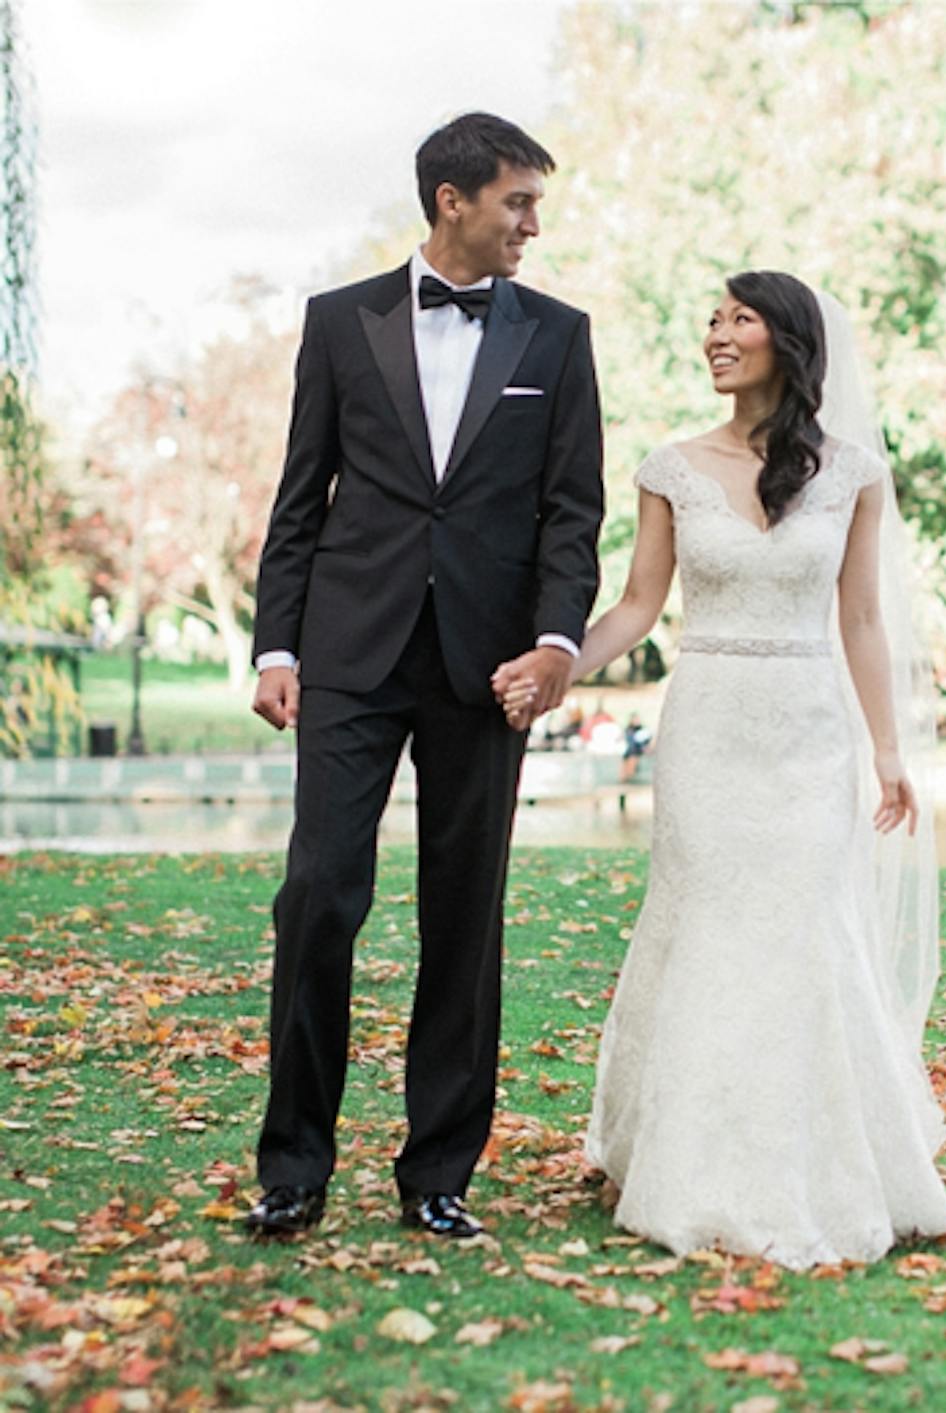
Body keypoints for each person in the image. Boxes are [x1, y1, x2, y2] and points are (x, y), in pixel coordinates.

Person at [497, 271, 946, 1268]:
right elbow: (635, 607)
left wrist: (887, 752)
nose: (715, 335)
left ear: (785, 343)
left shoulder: (853, 473)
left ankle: (814, 1161)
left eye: (737, 320)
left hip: (809, 731)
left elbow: (865, 620)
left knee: (802, 930)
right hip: (708, 727)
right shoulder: (671, 467)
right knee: (707, 924)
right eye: (710, 319)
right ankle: (680, 1156)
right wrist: (558, 664)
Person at [244, 113, 604, 1240]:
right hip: (350, 655)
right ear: (452, 200)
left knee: (466, 915)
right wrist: (276, 645)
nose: (531, 225)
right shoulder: (338, 322)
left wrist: (553, 644)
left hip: (487, 668)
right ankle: (293, 1166)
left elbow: (572, 514)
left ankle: (438, 1172)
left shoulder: (557, 335)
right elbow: (302, 499)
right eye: (517, 202)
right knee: (318, 897)